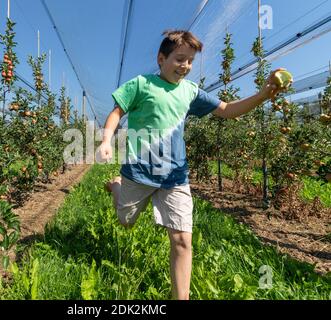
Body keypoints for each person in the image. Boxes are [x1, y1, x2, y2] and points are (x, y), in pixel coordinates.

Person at [98, 30, 289, 300]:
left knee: (182, 240)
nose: (185, 66)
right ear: (161, 58)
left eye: (189, 61)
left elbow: (226, 110)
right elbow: (117, 112)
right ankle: (117, 187)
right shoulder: (141, 84)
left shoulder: (190, 91)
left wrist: (263, 95)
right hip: (138, 172)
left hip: (175, 175)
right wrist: (107, 141)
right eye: (179, 59)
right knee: (126, 221)